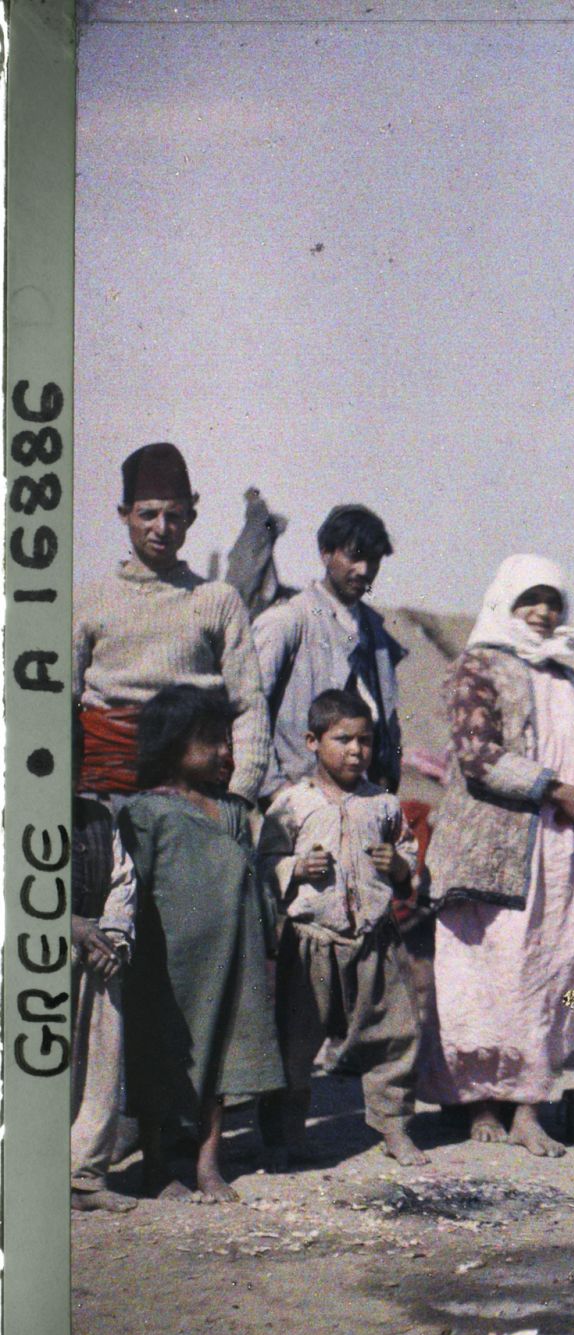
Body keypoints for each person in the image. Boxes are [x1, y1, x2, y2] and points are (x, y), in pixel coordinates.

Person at [69, 441, 271, 1212]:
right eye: (147, 514)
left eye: (175, 514)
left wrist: (239, 797)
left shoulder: (215, 600)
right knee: (123, 980)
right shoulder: (89, 599)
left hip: (197, 806)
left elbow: (248, 704)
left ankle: (186, 1148)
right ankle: (118, 1150)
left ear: (193, 516)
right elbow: (58, 704)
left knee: (199, 973)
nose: (161, 527)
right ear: (124, 515)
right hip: (107, 809)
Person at [420, 556, 574, 1157]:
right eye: (530, 601)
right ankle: (481, 1101)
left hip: (566, 857)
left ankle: (529, 1104)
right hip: (498, 856)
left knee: (560, 977)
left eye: (552, 602)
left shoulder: (572, 681)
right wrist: (554, 788)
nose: (542, 613)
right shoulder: (477, 667)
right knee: (490, 974)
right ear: (506, 603)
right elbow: (477, 755)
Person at [100, 685, 284, 1203]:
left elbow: (249, 880)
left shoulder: (231, 812)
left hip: (230, 963)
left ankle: (208, 1165)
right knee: (161, 1063)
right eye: (212, 742)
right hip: (168, 968)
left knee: (222, 1066)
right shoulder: (145, 813)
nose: (227, 753)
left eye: (228, 741)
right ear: (172, 745)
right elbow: (132, 890)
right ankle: (156, 1165)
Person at [258, 690, 427, 1167]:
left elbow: (409, 859)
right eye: (343, 739)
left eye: (366, 741)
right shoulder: (291, 804)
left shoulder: (384, 804)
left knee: (394, 1034)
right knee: (296, 1043)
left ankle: (393, 1126)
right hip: (312, 941)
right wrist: (294, 867)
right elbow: (264, 862)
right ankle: (286, 1134)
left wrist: (397, 865)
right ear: (312, 741)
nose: (356, 751)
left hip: (376, 938)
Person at [253, 503, 406, 797]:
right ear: (326, 553)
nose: (364, 570)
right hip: (297, 798)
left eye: (373, 560)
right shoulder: (288, 621)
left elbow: (388, 724)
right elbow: (249, 712)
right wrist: (275, 790)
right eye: (354, 556)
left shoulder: (377, 634)